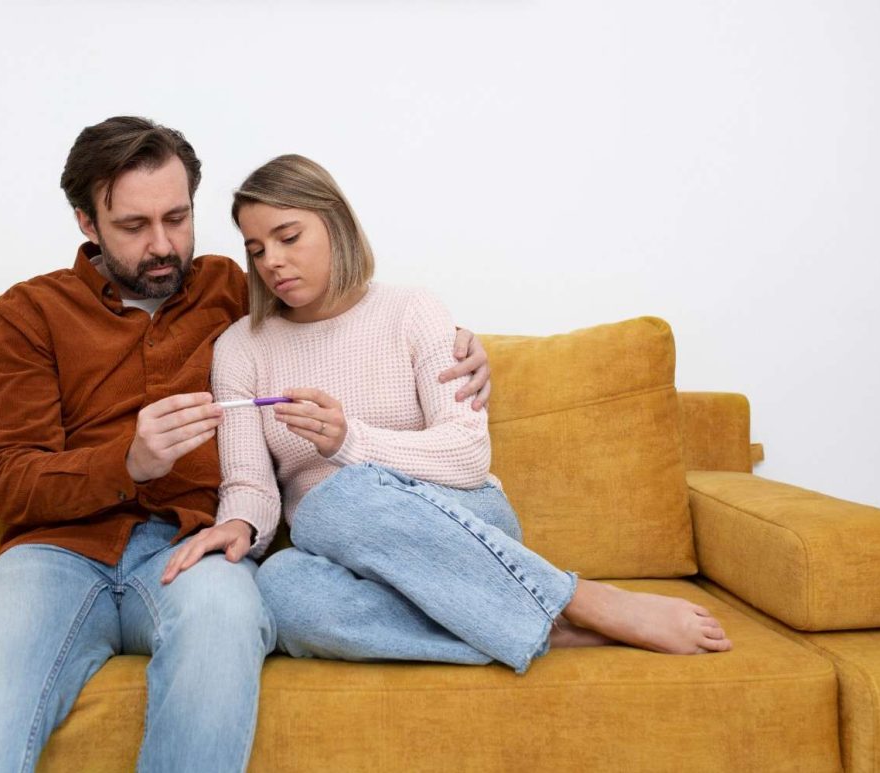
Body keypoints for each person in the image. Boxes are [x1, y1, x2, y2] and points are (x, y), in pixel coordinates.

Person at [0, 118, 492, 773]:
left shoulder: (232, 290)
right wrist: (126, 462)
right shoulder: (29, 313)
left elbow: (340, 317)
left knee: (225, 623)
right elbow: (7, 479)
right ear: (87, 222)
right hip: (55, 554)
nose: (163, 245)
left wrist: (456, 345)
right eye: (134, 226)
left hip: (195, 547)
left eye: (177, 218)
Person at [162, 154, 733, 675]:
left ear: (335, 224)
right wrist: (238, 526)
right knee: (281, 587)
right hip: (342, 553)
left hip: (461, 523)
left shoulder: (413, 310)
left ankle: (583, 600)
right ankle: (543, 627)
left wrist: (349, 442)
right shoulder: (242, 347)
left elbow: (468, 454)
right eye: (256, 249)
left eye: (288, 237)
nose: (273, 262)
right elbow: (250, 485)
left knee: (335, 498)